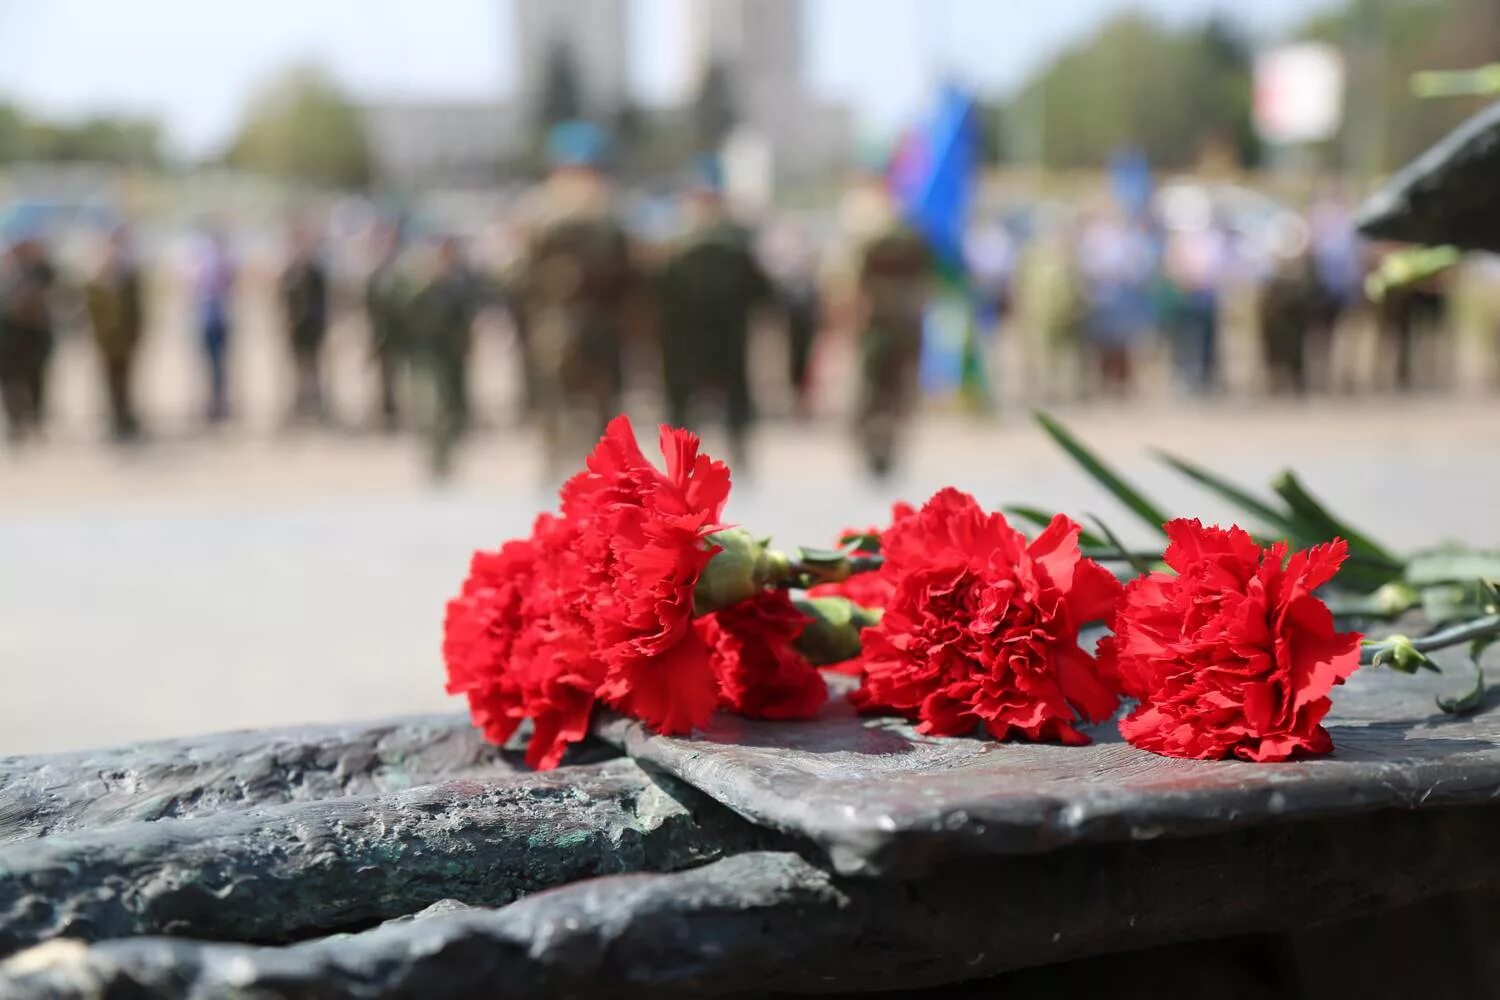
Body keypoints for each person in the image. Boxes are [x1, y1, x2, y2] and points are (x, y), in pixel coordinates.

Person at [514, 120, 635, 477]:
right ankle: (579, 466)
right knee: (580, 398)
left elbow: (519, 271)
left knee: (579, 398)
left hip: (573, 320)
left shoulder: (540, 209)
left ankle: (575, 466)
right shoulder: (607, 210)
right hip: (578, 320)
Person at [656, 156, 773, 468]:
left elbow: (654, 290)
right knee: (729, 399)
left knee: (686, 403)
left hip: (689, 336)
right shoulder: (737, 239)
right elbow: (762, 291)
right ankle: (736, 458)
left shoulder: (674, 241)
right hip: (722, 334)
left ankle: (682, 466)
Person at [828, 158, 931, 479]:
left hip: (875, 323)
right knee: (895, 388)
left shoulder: (864, 237)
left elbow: (845, 283)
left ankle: (873, 442)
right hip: (903, 323)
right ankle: (885, 442)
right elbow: (927, 280)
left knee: (870, 387)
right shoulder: (912, 235)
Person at [409, 235, 480, 479]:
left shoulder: (461, 281)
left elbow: (470, 311)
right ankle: (436, 458)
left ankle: (448, 454)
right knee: (434, 405)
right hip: (430, 354)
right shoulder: (422, 282)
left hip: (454, 354)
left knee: (456, 405)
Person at [83, 225, 146, 441]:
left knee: (127, 379)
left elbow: (136, 310)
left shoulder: (129, 274)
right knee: (108, 380)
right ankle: (115, 419)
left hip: (125, 340)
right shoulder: (95, 278)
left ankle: (126, 418)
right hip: (105, 340)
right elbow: (90, 311)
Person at [0, 232, 58, 444]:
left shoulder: (39, 270)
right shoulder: (6, 274)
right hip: (7, 341)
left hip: (33, 341)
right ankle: (15, 423)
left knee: (36, 382)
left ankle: (35, 420)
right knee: (10, 384)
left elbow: (53, 281)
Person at [279, 223, 330, 425]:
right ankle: (300, 404)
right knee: (297, 368)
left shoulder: (316, 272)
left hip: (313, 328)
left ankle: (316, 404)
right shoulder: (289, 273)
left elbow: (323, 302)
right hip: (295, 329)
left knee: (315, 368)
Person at [364, 221, 409, 432]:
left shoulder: (403, 273)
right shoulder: (375, 274)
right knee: (384, 376)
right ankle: (387, 413)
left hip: (402, 334)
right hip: (382, 335)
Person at [190, 226, 236, 423]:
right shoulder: (197, 264)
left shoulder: (226, 263)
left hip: (221, 318)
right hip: (205, 319)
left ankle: (220, 403)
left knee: (220, 364)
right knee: (205, 364)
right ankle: (208, 403)